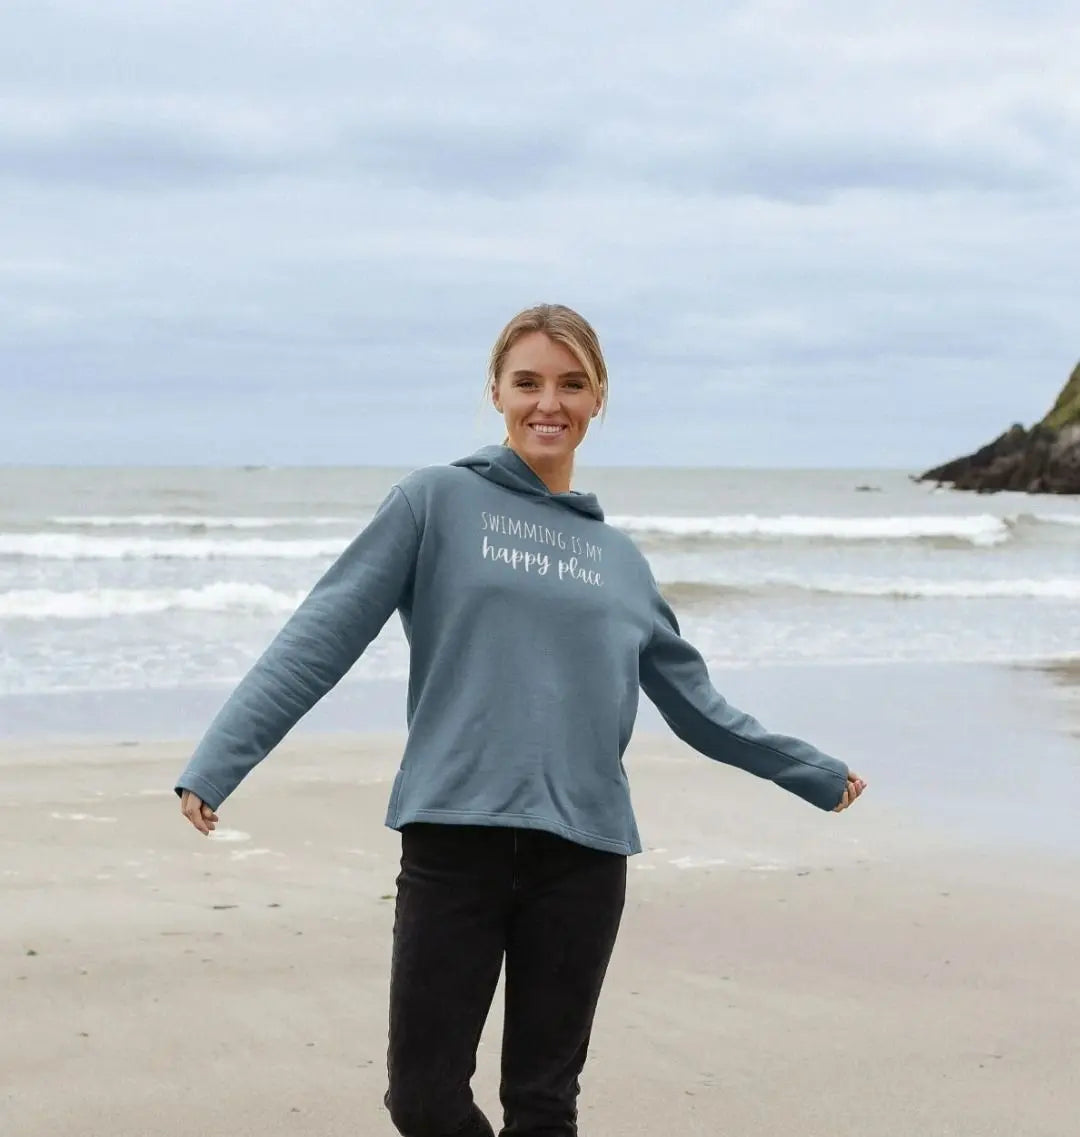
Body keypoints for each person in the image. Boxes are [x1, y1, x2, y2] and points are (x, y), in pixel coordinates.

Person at [175, 302, 867, 1137]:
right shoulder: (433, 502)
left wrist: (810, 771)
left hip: (583, 854)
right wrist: (220, 760)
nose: (549, 403)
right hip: (453, 838)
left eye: (572, 384)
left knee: (543, 1108)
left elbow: (698, 707)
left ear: (598, 397)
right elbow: (321, 635)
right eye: (528, 381)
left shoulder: (622, 562)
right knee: (423, 1099)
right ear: (496, 392)